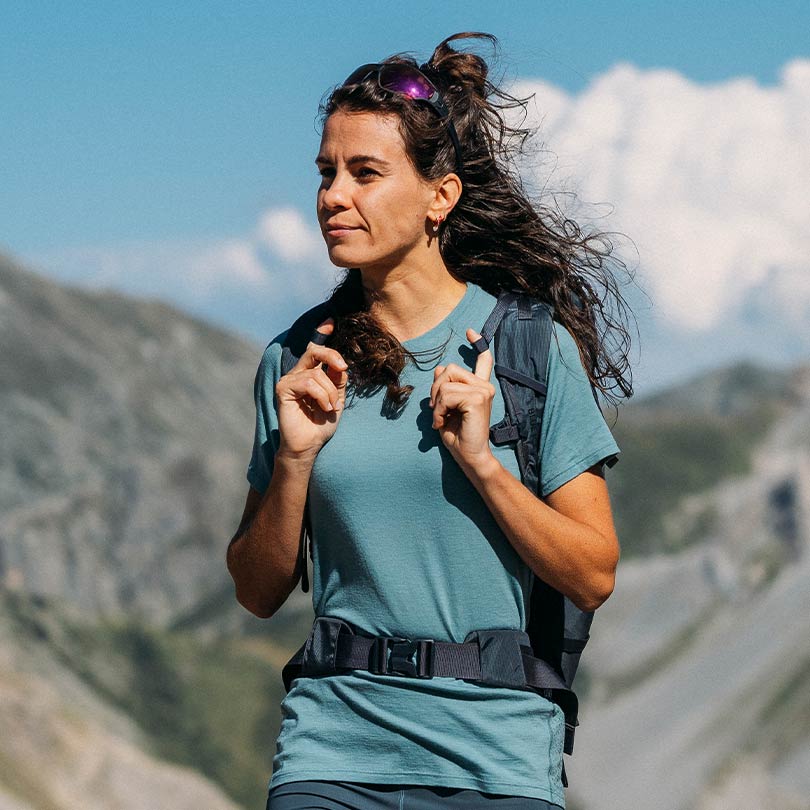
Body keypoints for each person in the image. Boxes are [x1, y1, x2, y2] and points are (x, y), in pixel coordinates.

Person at [226, 31, 634, 810]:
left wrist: (482, 464)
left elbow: (593, 573)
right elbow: (255, 590)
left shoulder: (527, 350)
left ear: (438, 197)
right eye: (326, 172)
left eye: (365, 173)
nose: (333, 196)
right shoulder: (295, 360)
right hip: (330, 751)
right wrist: (294, 461)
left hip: (497, 760)